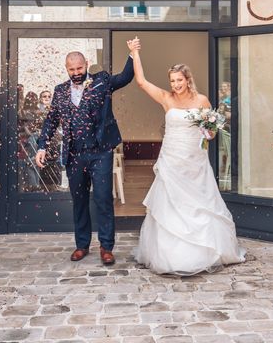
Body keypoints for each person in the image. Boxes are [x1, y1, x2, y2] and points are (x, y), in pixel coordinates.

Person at [129, 43, 245, 275]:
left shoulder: (202, 101)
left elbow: (211, 134)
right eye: (172, 81)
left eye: (179, 80)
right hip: (171, 160)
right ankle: (170, 255)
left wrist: (208, 131)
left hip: (194, 161)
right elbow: (141, 82)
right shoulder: (166, 98)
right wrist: (135, 53)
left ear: (188, 79)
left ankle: (205, 251)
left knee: (198, 205)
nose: (175, 85)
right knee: (170, 204)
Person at [35, 46, 135, 265]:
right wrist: (42, 146)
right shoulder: (60, 90)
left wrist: (132, 54)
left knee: (103, 199)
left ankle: (106, 247)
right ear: (66, 69)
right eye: (71, 69)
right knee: (79, 201)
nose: (76, 72)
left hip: (100, 152)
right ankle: (82, 245)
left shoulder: (102, 81)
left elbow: (126, 77)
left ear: (86, 64)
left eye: (79, 67)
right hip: (74, 154)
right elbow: (51, 121)